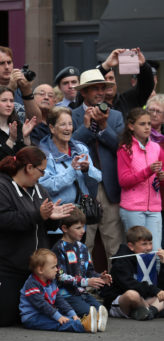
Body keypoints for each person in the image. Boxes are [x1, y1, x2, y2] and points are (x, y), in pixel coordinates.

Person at [0, 146, 73, 326]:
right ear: (28, 167)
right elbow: (3, 220)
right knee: (3, 318)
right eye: (41, 170)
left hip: (31, 270)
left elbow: (44, 224)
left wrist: (52, 218)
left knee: (36, 311)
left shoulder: (39, 190)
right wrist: (38, 215)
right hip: (3, 266)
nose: (43, 175)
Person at [72, 69, 125, 264]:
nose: (101, 92)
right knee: (84, 241)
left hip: (110, 186)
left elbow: (121, 147)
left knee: (114, 241)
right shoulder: (72, 114)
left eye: (103, 88)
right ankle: (83, 287)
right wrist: (86, 127)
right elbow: (71, 147)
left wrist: (103, 127)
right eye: (95, 89)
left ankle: (116, 287)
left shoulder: (116, 116)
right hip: (83, 187)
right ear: (84, 92)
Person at [52, 208, 111, 326]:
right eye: (78, 228)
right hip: (66, 295)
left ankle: (89, 320)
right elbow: (60, 276)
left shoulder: (82, 247)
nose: (83, 231)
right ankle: (72, 316)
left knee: (101, 310)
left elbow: (89, 271)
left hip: (82, 293)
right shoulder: (59, 249)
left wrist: (100, 277)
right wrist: (86, 282)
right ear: (64, 228)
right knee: (88, 313)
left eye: (83, 227)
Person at [117, 108, 164, 250]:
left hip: (155, 208)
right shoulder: (125, 149)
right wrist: (148, 171)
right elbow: (123, 181)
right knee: (138, 253)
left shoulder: (157, 148)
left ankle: (154, 274)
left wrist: (162, 176)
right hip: (133, 208)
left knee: (156, 253)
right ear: (131, 126)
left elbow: (161, 173)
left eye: (149, 124)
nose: (147, 127)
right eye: (142, 124)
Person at [19, 249, 97, 333]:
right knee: (60, 322)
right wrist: (58, 317)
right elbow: (42, 305)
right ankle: (84, 326)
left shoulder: (51, 281)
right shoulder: (32, 284)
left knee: (68, 318)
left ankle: (91, 324)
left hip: (46, 313)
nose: (57, 269)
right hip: (33, 318)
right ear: (40, 270)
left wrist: (73, 314)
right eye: (53, 267)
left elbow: (60, 300)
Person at [38, 107, 101, 210]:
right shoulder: (43, 154)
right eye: (63, 124)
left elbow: (98, 177)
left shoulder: (80, 148)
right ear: (52, 128)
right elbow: (47, 186)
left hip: (81, 212)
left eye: (70, 124)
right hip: (58, 213)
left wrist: (87, 170)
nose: (67, 128)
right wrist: (72, 170)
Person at [0, 86, 37, 190]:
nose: (9, 104)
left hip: (20, 186)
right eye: (4, 100)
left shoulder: (19, 127)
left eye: (11, 101)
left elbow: (28, 160)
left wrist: (26, 137)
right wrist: (11, 140)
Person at [100, 226, 164, 320]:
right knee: (132, 294)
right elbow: (128, 284)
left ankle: (150, 312)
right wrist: (154, 290)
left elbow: (160, 287)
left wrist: (163, 264)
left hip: (145, 298)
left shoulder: (151, 257)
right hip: (122, 299)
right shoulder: (121, 261)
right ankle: (152, 311)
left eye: (150, 243)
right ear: (131, 246)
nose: (149, 248)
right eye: (144, 244)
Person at [0, 46, 41, 122]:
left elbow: (36, 121)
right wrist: (9, 89)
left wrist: (27, 92)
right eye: (1, 63)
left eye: (9, 62)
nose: (7, 67)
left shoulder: (21, 89)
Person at [98, 48, 154, 118]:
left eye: (111, 78)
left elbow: (146, 86)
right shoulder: (92, 103)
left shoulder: (128, 100)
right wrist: (106, 65)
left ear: (116, 80)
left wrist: (143, 66)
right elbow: (89, 83)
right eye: (104, 79)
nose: (108, 82)